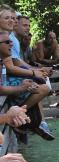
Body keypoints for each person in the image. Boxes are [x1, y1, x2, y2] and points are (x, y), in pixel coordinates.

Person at [0, 12, 54, 141]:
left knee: (37, 83)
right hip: (8, 83)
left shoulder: (9, 39)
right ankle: (23, 119)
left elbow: (15, 64)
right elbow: (10, 68)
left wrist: (37, 71)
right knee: (40, 86)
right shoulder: (7, 38)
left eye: (13, 18)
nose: (12, 21)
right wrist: (33, 75)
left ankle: (29, 120)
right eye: (7, 18)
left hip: (7, 83)